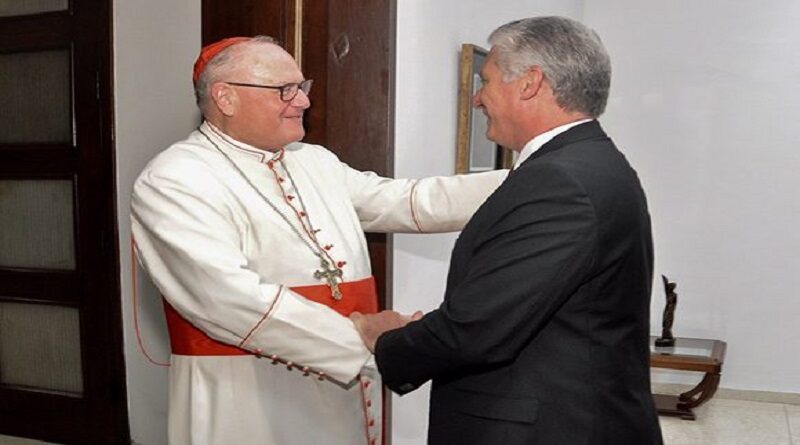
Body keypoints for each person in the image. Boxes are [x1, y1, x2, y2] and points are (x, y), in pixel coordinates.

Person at [130, 36, 504, 445]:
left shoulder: (313, 161)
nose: (303, 102)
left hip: (343, 383)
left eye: (301, 87)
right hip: (249, 399)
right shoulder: (174, 179)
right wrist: (362, 336)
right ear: (226, 98)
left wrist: (530, 179)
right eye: (284, 90)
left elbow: (405, 201)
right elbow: (228, 300)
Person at [351, 16, 664, 444]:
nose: (478, 98)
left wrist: (386, 339)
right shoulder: (589, 162)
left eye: (487, 80)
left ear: (530, 82)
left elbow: (476, 331)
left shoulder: (559, 180)